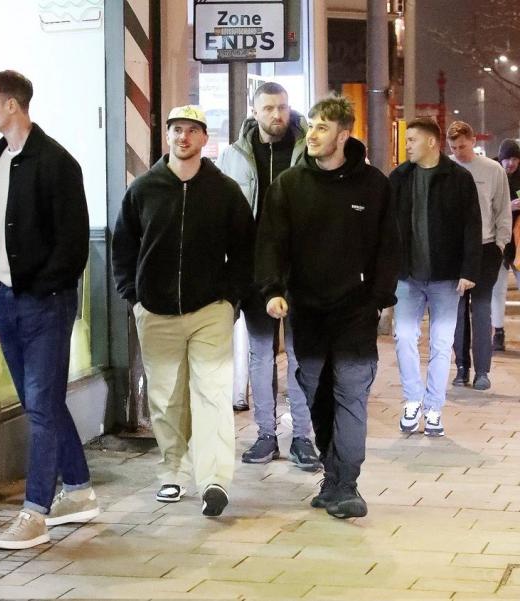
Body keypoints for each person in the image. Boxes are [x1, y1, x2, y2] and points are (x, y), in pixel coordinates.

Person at [0, 70, 97, 550]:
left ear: (12, 105)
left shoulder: (57, 162)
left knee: (41, 406)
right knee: (43, 403)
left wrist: (41, 287)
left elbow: (74, 243)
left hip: (46, 303)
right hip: (6, 299)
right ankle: (78, 491)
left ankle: (35, 512)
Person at [256, 95, 399, 519]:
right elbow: (271, 242)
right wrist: (273, 290)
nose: (313, 135)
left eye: (323, 127)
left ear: (344, 135)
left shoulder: (374, 185)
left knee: (351, 394)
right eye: (312, 126)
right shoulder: (289, 185)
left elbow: (389, 246)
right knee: (316, 395)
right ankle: (333, 479)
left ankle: (346, 484)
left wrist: (378, 298)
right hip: (307, 311)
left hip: (356, 311)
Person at [112, 105, 255, 517]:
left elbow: (244, 250)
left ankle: (214, 481)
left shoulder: (224, 191)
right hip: (155, 311)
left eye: (192, 130)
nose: (183, 137)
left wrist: (230, 299)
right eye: (177, 130)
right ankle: (173, 470)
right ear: (168, 136)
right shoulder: (143, 189)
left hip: (210, 309)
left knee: (212, 394)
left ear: (204, 138)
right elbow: (124, 247)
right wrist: (135, 297)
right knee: (167, 398)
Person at [216, 82, 320, 471]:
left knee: (299, 354)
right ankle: (265, 434)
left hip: (300, 270)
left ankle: (302, 438)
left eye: (283, 107)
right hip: (253, 270)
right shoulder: (233, 156)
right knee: (260, 354)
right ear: (254, 111)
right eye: (269, 108)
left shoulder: (307, 151)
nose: (278, 114)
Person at [391, 117, 482, 437]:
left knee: (442, 343)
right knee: (404, 336)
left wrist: (469, 270)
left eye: (412, 140)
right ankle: (412, 400)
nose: (407, 145)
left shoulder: (458, 178)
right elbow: (387, 226)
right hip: (407, 276)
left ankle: (433, 408)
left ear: (431, 142)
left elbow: (472, 225)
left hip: (446, 277)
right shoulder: (399, 177)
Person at [446, 121, 511, 389]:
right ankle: (462, 367)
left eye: (462, 146)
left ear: (473, 141)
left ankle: (482, 370)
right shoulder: (446, 168)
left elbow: (502, 209)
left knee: (481, 308)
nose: (458, 152)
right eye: (453, 147)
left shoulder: (493, 170)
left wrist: (500, 244)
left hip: (486, 247)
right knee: (458, 310)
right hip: (455, 249)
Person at [492, 138, 520, 351]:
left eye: (515, 159)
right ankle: (498, 331)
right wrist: (508, 207)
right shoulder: (493, 174)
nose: (511, 163)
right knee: (498, 288)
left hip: (519, 242)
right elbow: (485, 206)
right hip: (499, 241)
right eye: (507, 159)